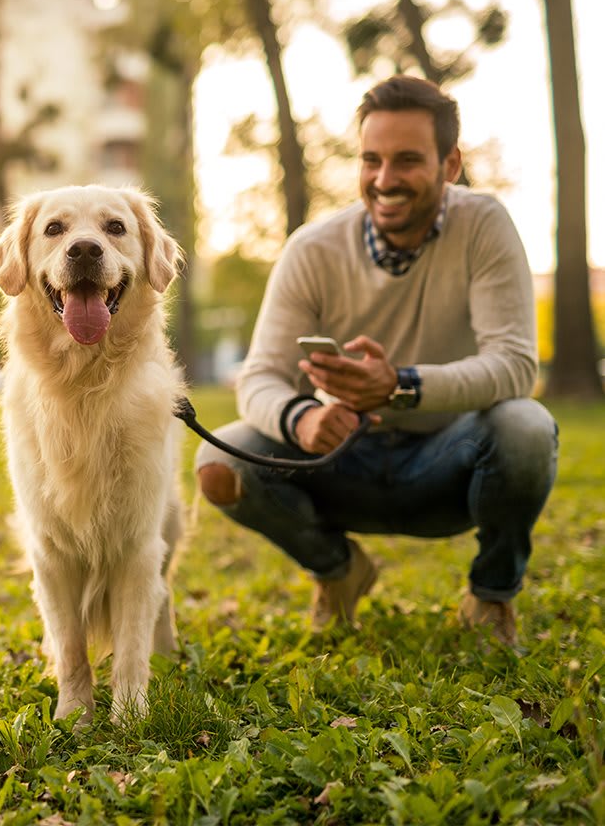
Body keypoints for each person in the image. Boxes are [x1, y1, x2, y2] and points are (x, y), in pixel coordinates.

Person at [195, 74, 558, 647]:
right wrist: (303, 418)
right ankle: (338, 573)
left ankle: (491, 597)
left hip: (450, 464)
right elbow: (259, 377)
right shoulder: (312, 249)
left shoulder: (484, 226)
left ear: (450, 164)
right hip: (342, 463)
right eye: (371, 160)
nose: (384, 180)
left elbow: (515, 365)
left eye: (408, 160)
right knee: (221, 461)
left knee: (527, 428)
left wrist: (401, 385)